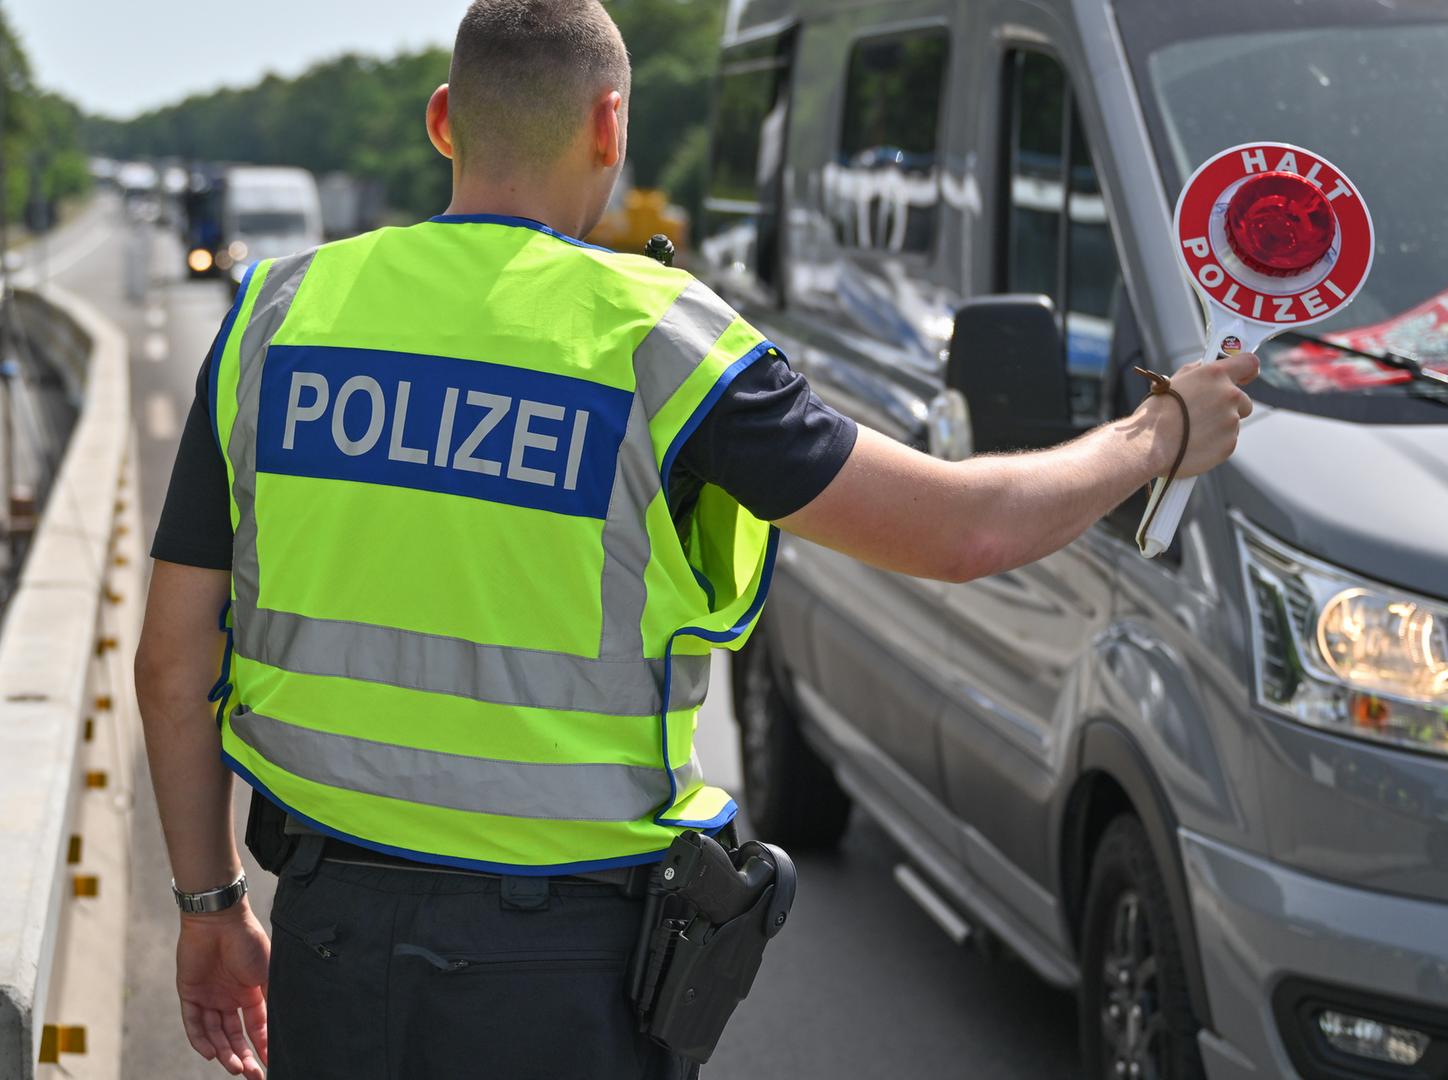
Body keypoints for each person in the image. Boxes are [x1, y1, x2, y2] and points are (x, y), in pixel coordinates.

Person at [131, 1, 1257, 1077]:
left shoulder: (278, 315)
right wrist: (1161, 431)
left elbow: (174, 667)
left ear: (441, 120)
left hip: (334, 938)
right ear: (611, 123)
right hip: (560, 970)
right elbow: (961, 530)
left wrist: (210, 905)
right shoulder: (660, 341)